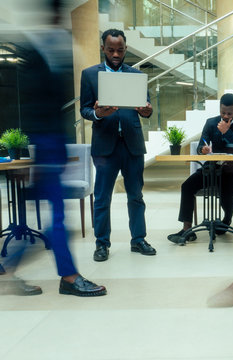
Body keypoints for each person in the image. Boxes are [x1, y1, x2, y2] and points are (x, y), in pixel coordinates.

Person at [0, 0, 106, 297]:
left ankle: (9, 273)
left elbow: (55, 108)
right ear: (54, 14)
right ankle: (67, 277)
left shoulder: (53, 47)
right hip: (45, 146)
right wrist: (33, 158)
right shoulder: (33, 54)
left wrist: (59, 149)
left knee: (52, 219)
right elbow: (28, 108)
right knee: (57, 220)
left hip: (52, 146)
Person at [80, 29, 156, 262]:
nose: (116, 54)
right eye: (111, 49)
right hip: (105, 147)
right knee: (103, 198)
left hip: (132, 145)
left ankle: (138, 240)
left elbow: (146, 107)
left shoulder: (136, 75)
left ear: (125, 49)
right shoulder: (90, 74)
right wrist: (98, 113)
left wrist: (147, 110)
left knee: (136, 196)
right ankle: (102, 244)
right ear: (103, 48)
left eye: (120, 50)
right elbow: (84, 109)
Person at [167, 93, 233, 244]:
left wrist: (227, 132)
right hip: (212, 167)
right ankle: (187, 230)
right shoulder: (211, 123)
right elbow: (200, 145)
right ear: (220, 109)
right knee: (187, 186)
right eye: (223, 112)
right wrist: (202, 149)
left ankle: (226, 219)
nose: (225, 116)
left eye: (229, 113)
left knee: (226, 195)